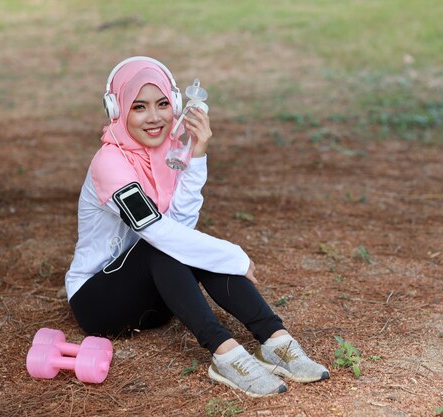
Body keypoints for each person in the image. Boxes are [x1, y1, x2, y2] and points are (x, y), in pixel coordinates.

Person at [64, 56, 329, 397]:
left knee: (176, 247)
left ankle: (275, 340)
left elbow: (181, 227)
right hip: (99, 302)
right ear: (118, 110)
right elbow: (158, 233)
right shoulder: (109, 164)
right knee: (160, 247)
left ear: (175, 103)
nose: (155, 117)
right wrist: (231, 254)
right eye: (139, 107)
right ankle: (226, 355)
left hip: (157, 303)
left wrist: (198, 153)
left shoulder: (171, 150)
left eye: (162, 104)